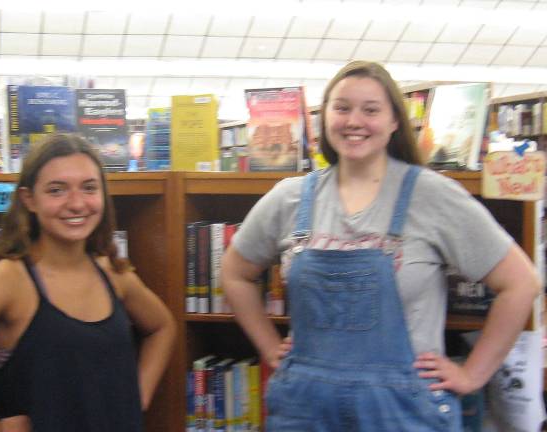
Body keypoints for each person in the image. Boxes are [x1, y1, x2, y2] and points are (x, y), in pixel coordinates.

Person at [221, 61, 540, 431]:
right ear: (325, 118)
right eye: (342, 108)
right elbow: (234, 273)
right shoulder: (290, 198)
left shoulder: (432, 196)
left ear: (393, 122)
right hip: (305, 408)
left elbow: (521, 284)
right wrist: (268, 346)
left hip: (403, 410)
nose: (354, 120)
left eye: (370, 110)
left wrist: (472, 375)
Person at [0, 133, 177, 432]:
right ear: (29, 199)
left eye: (89, 188)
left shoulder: (113, 274)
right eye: (57, 190)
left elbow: (162, 327)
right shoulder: (11, 279)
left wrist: (137, 396)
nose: (77, 203)